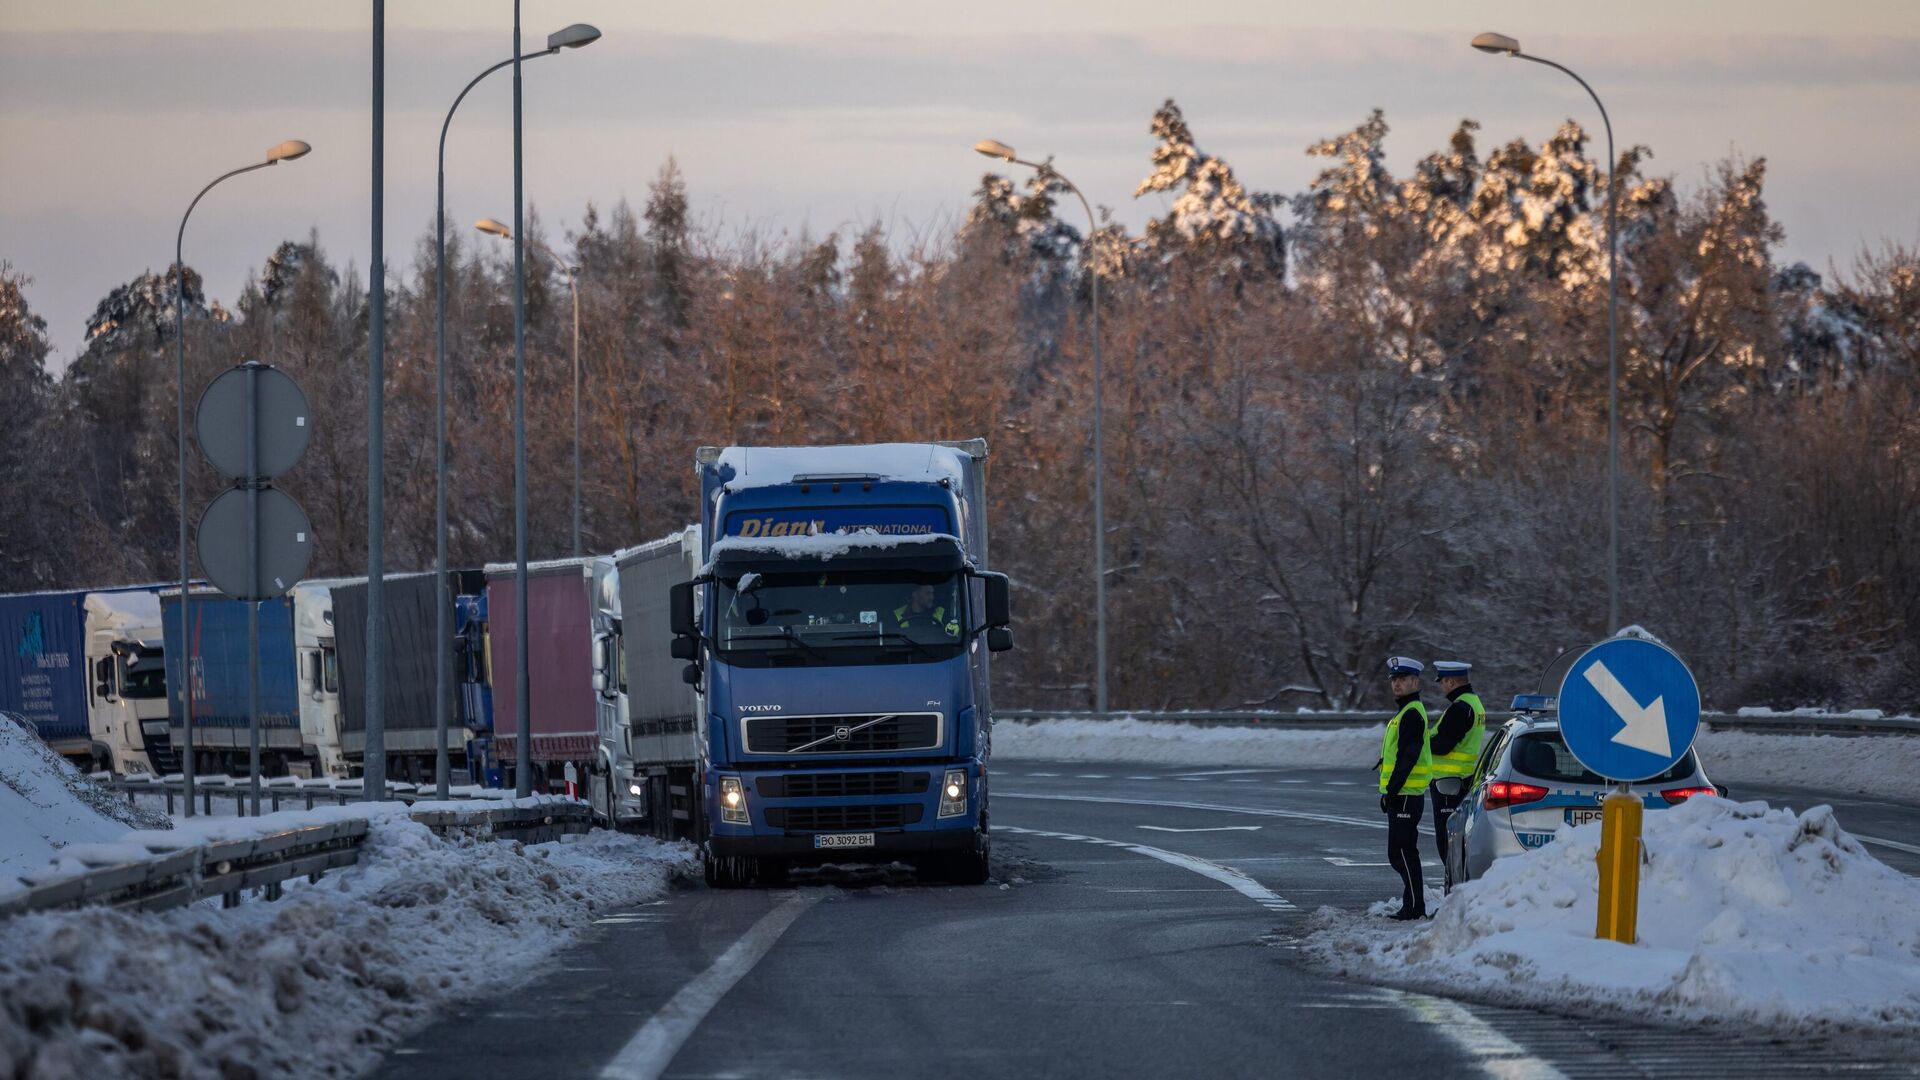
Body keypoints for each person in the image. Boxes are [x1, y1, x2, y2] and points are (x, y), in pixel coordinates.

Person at [1378, 656, 1433, 920]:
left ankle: (1415, 905)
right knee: (1400, 851)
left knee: (1402, 851)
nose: (1397, 684)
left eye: (1403, 680)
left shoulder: (1411, 713)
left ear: (1415, 681)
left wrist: (1392, 790)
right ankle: (1412, 903)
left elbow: (1408, 756)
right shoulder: (1406, 712)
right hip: (1405, 794)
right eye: (1394, 680)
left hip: (1406, 795)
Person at [1426, 659, 1485, 890]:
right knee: (1457, 845)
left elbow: (1442, 745)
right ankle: (1456, 893)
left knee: (1448, 845)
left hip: (1449, 785)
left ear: (1450, 681)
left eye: (1442, 682)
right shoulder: (1474, 704)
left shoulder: (1460, 708)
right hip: (1461, 780)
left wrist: (1422, 741)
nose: (1441, 686)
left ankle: (1455, 895)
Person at [893, 583, 958, 636]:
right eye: (927, 593)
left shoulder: (941, 613)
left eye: (932, 593)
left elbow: (951, 637)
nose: (932, 597)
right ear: (914, 594)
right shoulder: (897, 615)